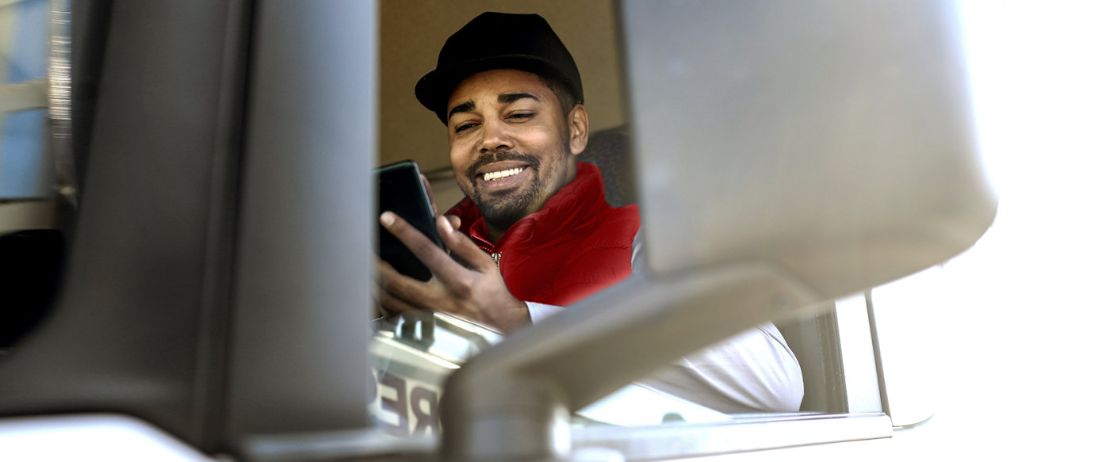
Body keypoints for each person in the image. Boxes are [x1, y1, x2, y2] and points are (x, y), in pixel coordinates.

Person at [377, 12, 803, 413]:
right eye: (466, 125)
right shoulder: (439, 254)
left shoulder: (648, 234)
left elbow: (772, 387)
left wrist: (520, 325)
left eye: (519, 114)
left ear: (576, 129)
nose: (490, 140)